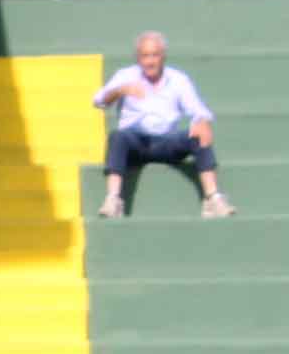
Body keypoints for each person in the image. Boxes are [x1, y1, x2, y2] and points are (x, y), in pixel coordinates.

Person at [96, 34, 237, 219]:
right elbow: (99, 101)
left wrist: (202, 121)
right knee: (118, 137)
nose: (150, 61)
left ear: (163, 56)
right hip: (136, 141)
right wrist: (120, 91)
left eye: (154, 55)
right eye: (145, 56)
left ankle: (213, 198)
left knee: (199, 132)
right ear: (138, 57)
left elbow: (198, 109)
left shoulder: (178, 79)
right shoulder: (126, 76)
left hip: (168, 142)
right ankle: (113, 199)